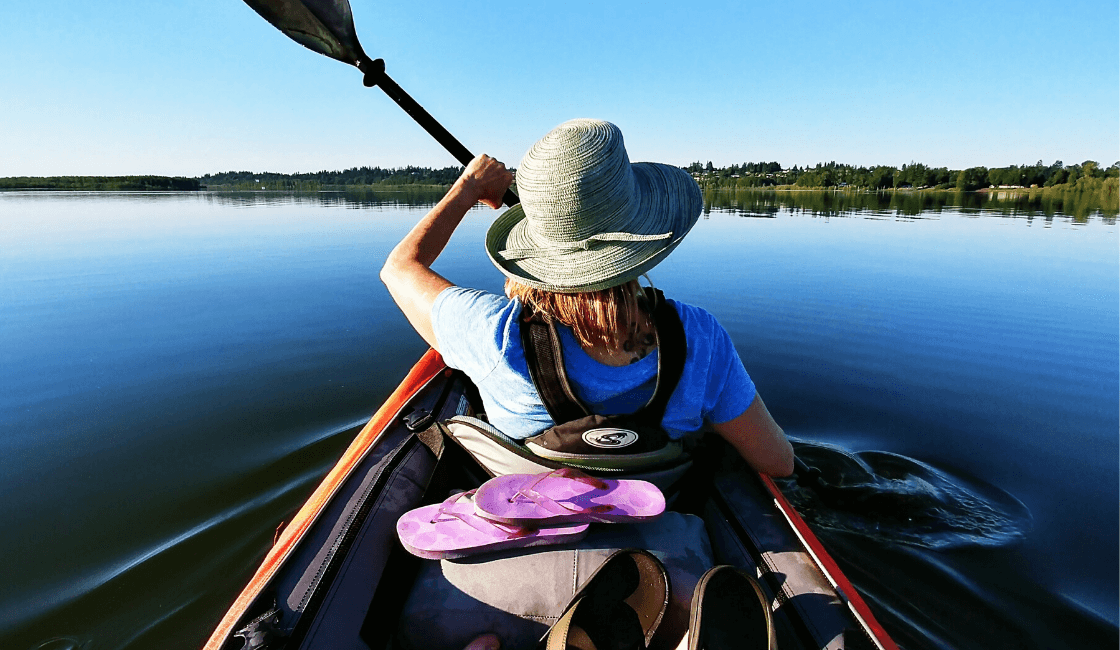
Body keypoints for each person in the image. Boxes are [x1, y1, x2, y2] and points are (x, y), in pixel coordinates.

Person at [380, 118, 793, 477]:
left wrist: (468, 187)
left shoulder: (491, 333)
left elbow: (399, 268)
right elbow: (778, 463)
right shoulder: (700, 338)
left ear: (537, 246)